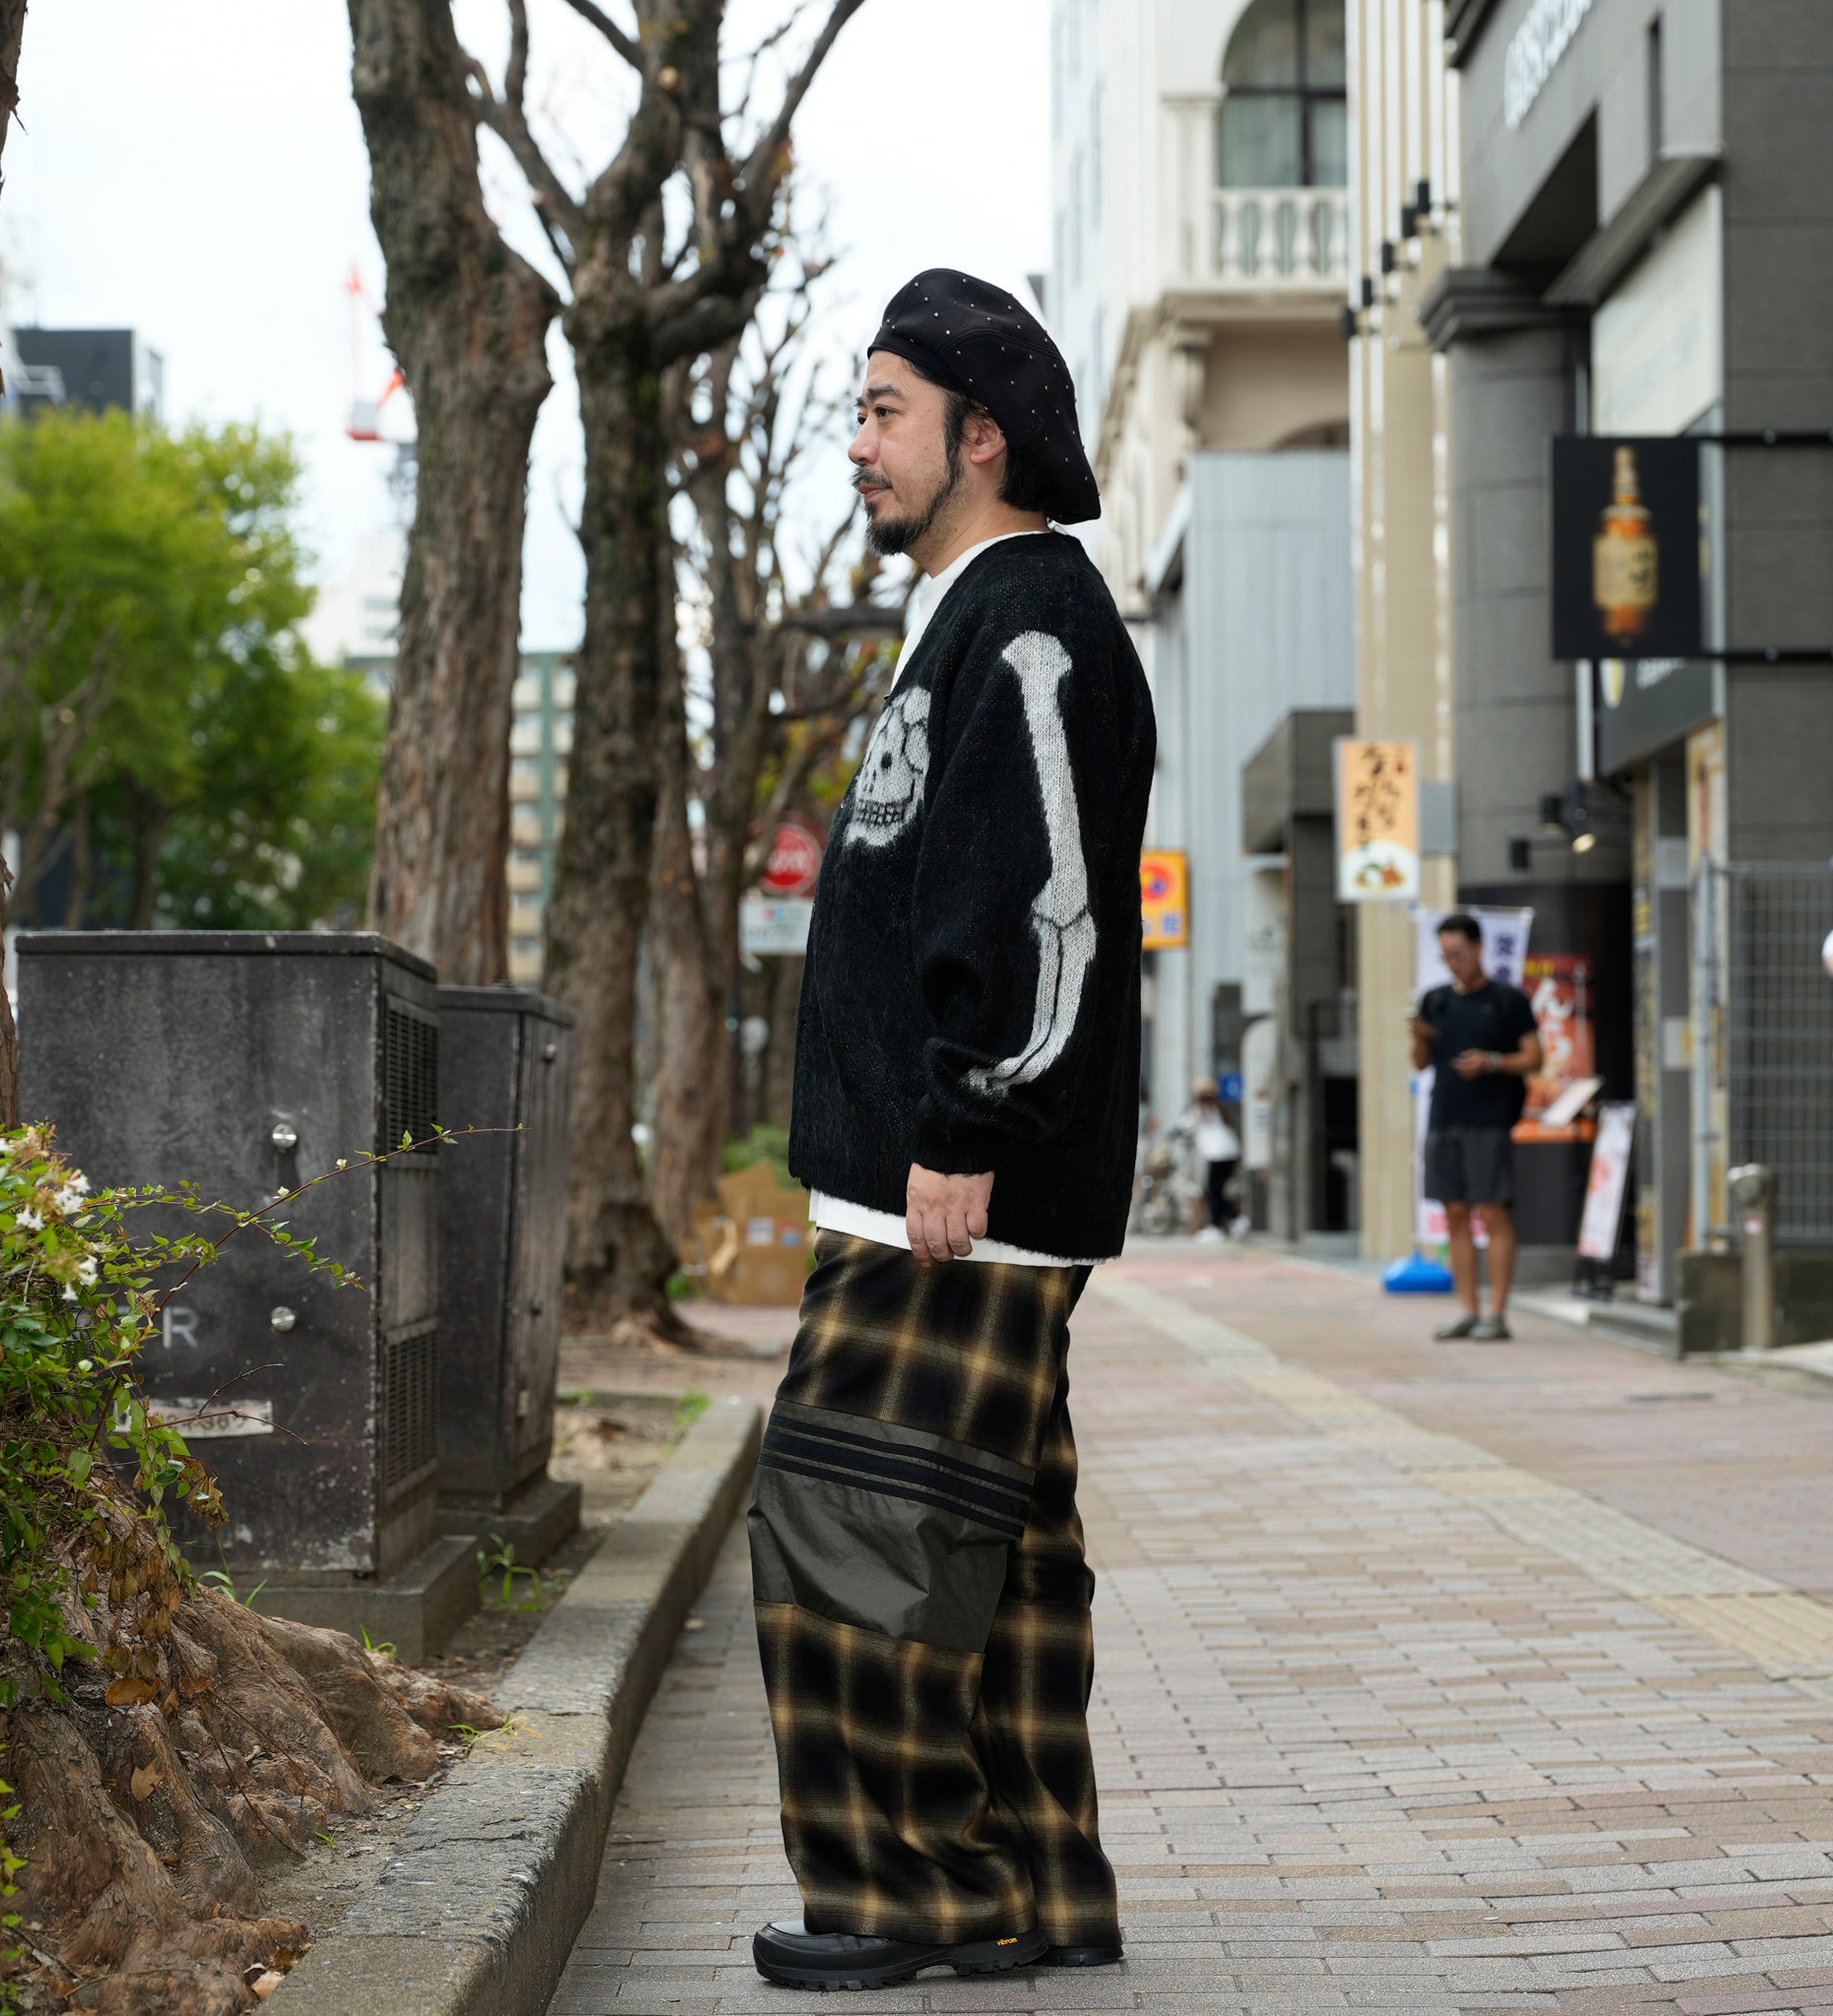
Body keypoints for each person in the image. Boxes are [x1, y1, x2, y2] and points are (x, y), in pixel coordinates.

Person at [748, 270, 1155, 1992]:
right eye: (853, 408)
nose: (855, 445)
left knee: (849, 1527)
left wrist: (966, 1117)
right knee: (993, 1551)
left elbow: (1047, 900)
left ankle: (911, 1894)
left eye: (881, 410)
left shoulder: (1034, 621)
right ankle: (1035, 1889)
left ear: (980, 437)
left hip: (958, 1188)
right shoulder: (973, 616)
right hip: (952, 1182)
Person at [1411, 913, 1544, 1341]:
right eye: (1446, 955)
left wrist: (1490, 1061)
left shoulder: (1507, 1000)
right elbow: (1419, 1062)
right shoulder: (1435, 1000)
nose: (1453, 962)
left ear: (1479, 948)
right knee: (1454, 1212)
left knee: (1492, 1210)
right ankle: (1467, 1309)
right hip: (1444, 1117)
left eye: (1459, 954)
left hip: (1490, 1119)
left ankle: (1498, 1312)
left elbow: (1535, 1057)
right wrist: (1419, 1035)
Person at [1183, 1077, 1241, 1239]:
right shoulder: (1219, 1108)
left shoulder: (1200, 1110)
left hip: (1218, 1155)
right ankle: (1234, 1218)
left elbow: (1184, 1126)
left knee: (1213, 1192)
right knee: (1217, 1191)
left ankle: (1219, 1226)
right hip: (1230, 1153)